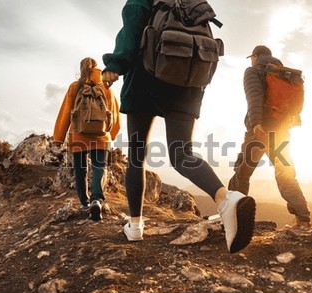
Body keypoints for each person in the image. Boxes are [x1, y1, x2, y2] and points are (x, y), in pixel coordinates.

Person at [101, 0, 255, 254]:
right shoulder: (194, 3)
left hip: (145, 80)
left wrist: (115, 65)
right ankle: (226, 199)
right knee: (182, 154)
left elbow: (131, 33)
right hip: (188, 83)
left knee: (136, 157)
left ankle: (136, 225)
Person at [228, 45, 311, 228]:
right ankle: (303, 219)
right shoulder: (285, 75)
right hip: (281, 133)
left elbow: (254, 97)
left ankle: (235, 219)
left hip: (260, 131)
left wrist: (256, 123)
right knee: (286, 174)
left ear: (255, 56)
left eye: (252, 57)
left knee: (242, 173)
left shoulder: (253, 71)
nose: (252, 60)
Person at [53, 57, 121, 221]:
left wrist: (59, 137)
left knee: (80, 169)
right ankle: (96, 199)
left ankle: (84, 201)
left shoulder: (74, 87)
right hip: (101, 135)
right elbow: (113, 111)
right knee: (99, 167)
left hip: (78, 134)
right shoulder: (105, 87)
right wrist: (111, 134)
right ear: (97, 69)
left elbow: (65, 113)